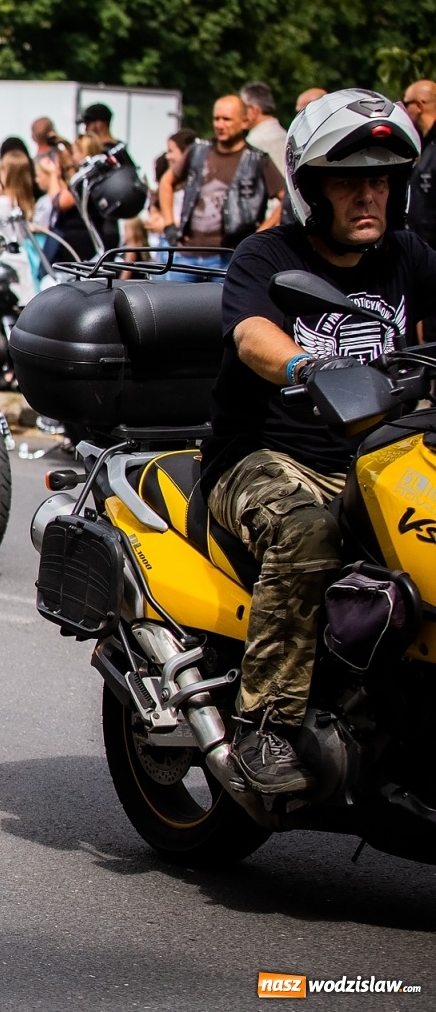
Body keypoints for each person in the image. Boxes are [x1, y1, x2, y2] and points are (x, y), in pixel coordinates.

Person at [202, 88, 434, 794]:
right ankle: (265, 724)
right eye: (349, 181)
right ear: (309, 188)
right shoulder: (265, 256)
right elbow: (252, 334)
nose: (369, 196)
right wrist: (307, 363)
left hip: (379, 458)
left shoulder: (409, 255)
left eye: (381, 180)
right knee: (308, 533)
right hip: (268, 460)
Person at [168, 94, 285, 279]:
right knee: (173, 307)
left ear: (244, 122)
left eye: (227, 119)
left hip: (228, 256)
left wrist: (259, 235)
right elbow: (167, 182)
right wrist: (169, 225)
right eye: (216, 118)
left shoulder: (256, 159)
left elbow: (285, 197)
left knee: (223, 307)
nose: (220, 125)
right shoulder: (198, 151)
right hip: (186, 254)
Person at [403, 79, 436, 246]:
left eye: (406, 104)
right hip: (423, 250)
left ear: (419, 106)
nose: (404, 110)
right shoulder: (422, 145)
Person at [240, 82, 288, 172]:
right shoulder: (285, 135)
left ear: (254, 111)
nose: (239, 114)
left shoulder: (254, 142)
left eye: (241, 109)